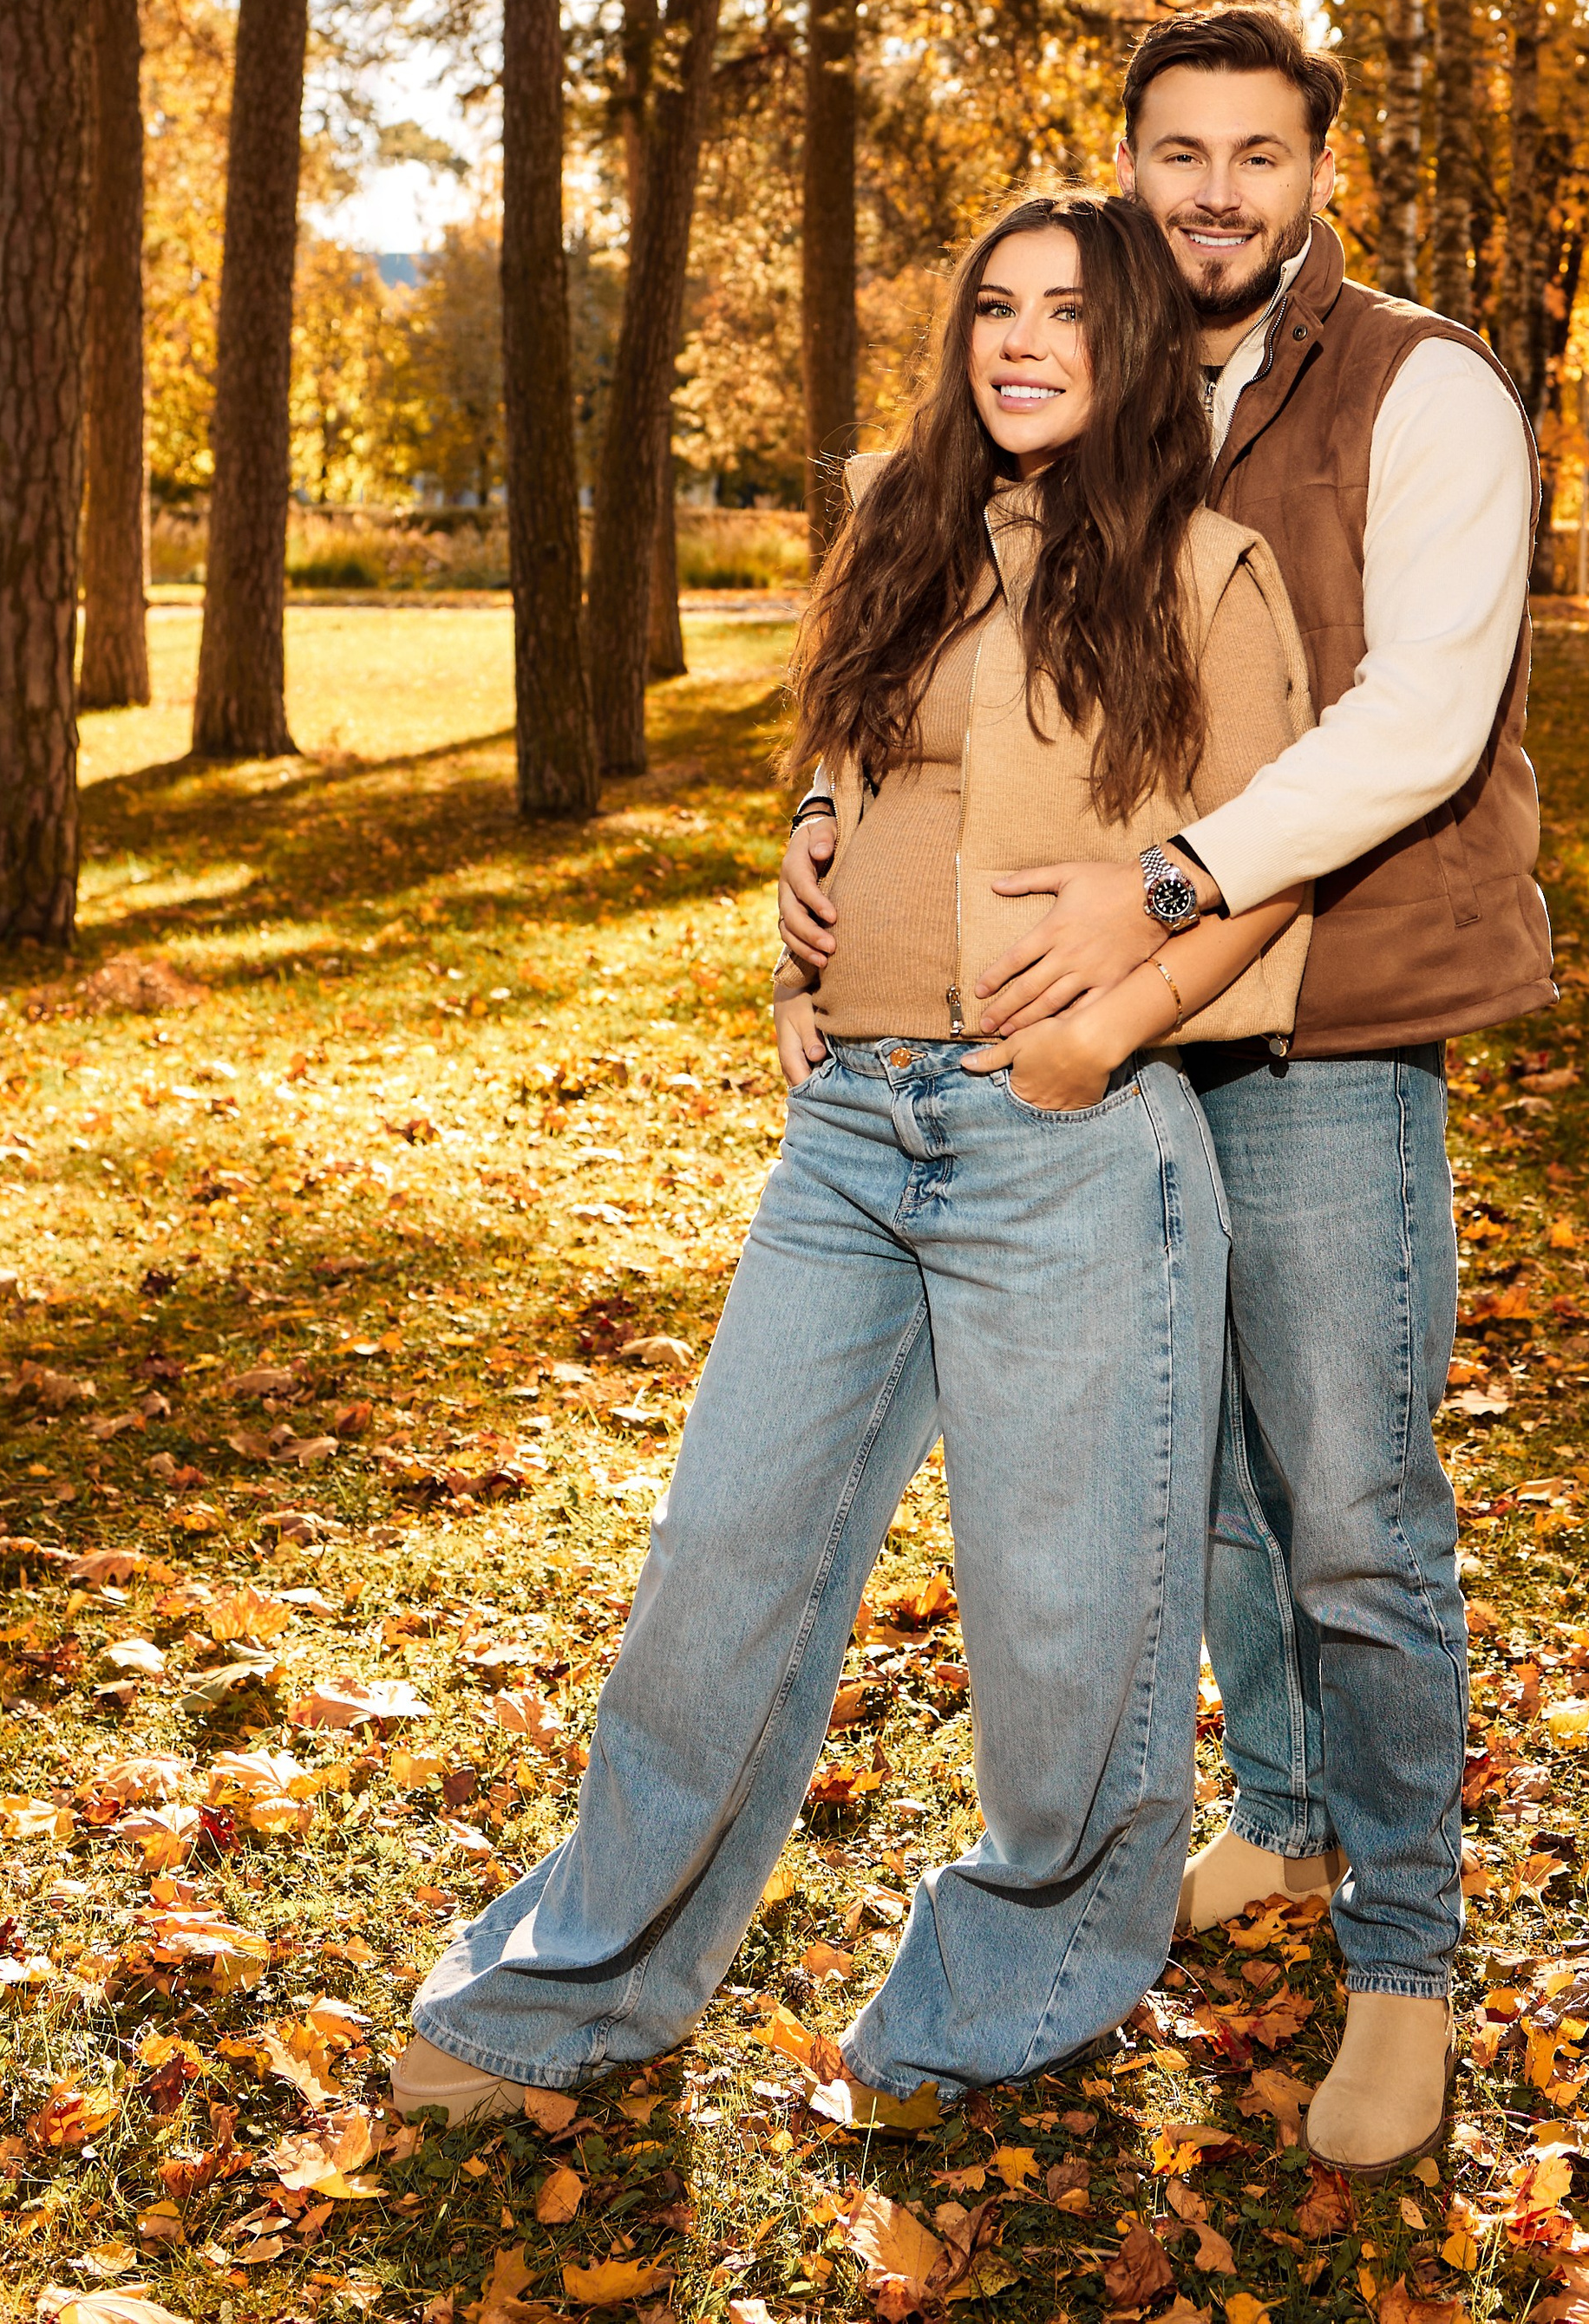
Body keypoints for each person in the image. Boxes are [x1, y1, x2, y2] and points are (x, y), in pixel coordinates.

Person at [393, 191, 1313, 2124]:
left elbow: (1272, 859)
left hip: (1067, 1142)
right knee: (721, 1563)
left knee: (1065, 1626)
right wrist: (796, 917)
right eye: (995, 307)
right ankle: (577, 1989)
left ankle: (1013, 1993)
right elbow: (845, 771)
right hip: (848, 1131)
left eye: (1069, 311)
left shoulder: (1208, 569)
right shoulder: (901, 522)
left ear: (1138, 346)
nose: (1022, 341)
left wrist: (1105, 1033)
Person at [782, 8, 1554, 2177]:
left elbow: (1419, 716)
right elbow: (936, 651)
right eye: (1177, 151)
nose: (1215, 190)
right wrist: (825, 832)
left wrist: (1168, 882)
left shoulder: (1419, 386)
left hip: (1321, 1017)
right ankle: (1285, 1819)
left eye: (1258, 153)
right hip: (1088, 1036)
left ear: (1314, 173)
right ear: (1128, 163)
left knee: (1350, 1499)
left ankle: (1402, 1953)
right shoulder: (1089, 381)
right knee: (1199, 1481)